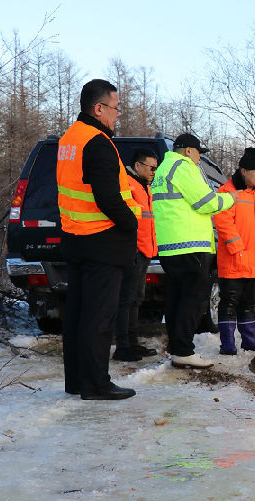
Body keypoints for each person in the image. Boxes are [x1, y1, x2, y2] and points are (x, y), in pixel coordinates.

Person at [57, 79, 139, 400]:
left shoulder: (69, 140)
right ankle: (96, 384)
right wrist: (131, 222)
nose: (117, 116)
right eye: (116, 109)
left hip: (76, 240)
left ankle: (77, 381)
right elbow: (108, 197)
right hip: (103, 242)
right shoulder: (98, 143)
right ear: (99, 108)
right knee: (99, 317)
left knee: (77, 314)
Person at [151, 133, 236, 368]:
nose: (199, 158)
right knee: (194, 298)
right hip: (190, 244)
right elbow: (207, 202)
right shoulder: (184, 167)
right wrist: (230, 199)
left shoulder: (162, 169)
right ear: (189, 150)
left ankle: (177, 347)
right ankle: (184, 350)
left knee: (176, 298)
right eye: (199, 153)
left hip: (170, 245)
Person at [213, 148, 255, 355]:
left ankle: (250, 340)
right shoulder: (227, 191)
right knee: (229, 301)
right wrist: (237, 248)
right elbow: (222, 221)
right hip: (233, 259)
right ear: (243, 171)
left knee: (249, 301)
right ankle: (227, 344)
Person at [112, 149, 159, 361]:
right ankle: (123, 347)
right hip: (132, 249)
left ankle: (133, 343)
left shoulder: (144, 187)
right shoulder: (128, 184)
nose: (154, 172)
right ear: (138, 166)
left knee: (136, 298)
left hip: (145, 249)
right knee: (126, 299)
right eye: (151, 168)